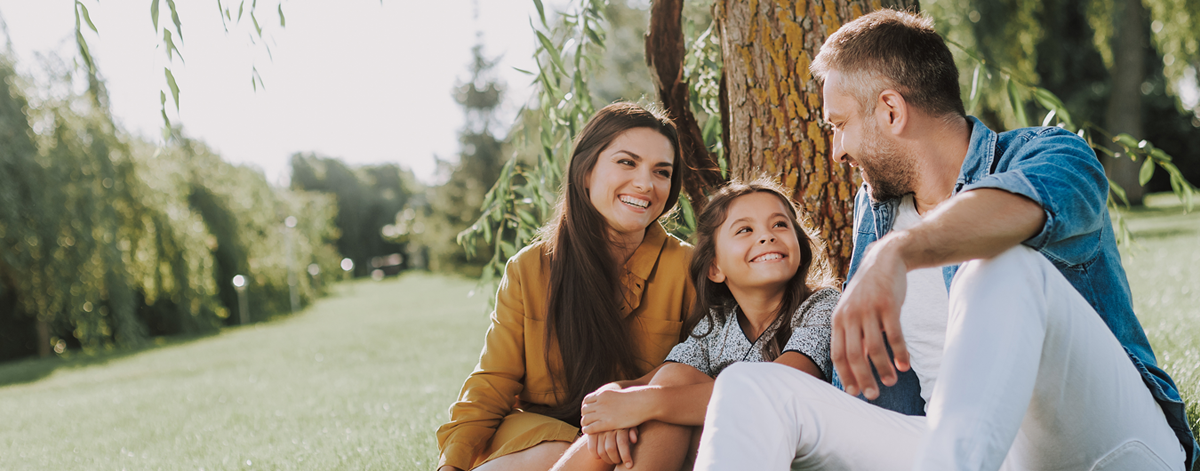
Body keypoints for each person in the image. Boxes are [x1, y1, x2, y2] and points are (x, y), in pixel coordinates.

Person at [694, 9, 1197, 471]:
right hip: (956, 449)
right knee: (749, 388)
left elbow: (1015, 207)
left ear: (891, 111)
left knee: (998, 264)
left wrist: (894, 254)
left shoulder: (1052, 155)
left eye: (840, 125)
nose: (837, 151)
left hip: (1112, 447)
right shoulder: (877, 209)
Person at [436, 102, 695, 471]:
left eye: (662, 171)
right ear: (586, 171)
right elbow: (492, 382)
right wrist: (452, 464)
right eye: (627, 162)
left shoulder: (688, 269)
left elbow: (696, 372)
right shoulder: (529, 268)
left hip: (638, 433)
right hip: (544, 438)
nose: (645, 183)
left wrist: (624, 406)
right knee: (554, 450)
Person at [549, 179, 840, 471]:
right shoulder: (718, 324)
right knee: (671, 380)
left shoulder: (821, 306)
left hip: (791, 457)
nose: (767, 236)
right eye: (745, 230)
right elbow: (650, 383)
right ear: (715, 268)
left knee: (667, 396)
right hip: (727, 455)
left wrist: (643, 404)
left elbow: (776, 388)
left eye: (779, 225)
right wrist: (611, 399)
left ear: (799, 244)